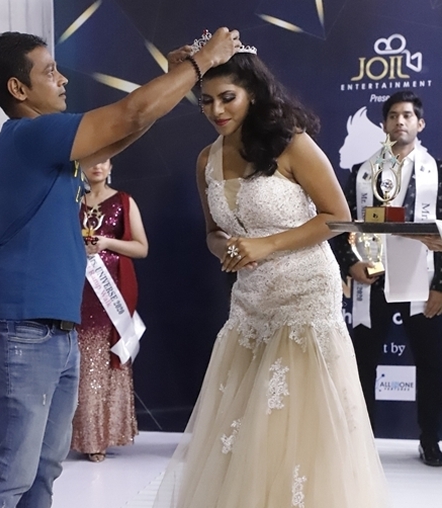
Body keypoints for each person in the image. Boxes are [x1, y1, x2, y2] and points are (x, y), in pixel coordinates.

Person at [0, 29, 241, 508]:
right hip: (22, 331)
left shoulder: (47, 145)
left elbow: (123, 132)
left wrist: (178, 77)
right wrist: (200, 64)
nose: (62, 80)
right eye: (50, 72)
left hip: (53, 330)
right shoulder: (31, 134)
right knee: (14, 474)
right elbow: (129, 114)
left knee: (43, 471)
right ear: (18, 89)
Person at [152, 38, 389, 508]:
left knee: (295, 422)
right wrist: (228, 248)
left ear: (253, 93)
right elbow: (212, 233)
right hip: (250, 300)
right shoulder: (205, 160)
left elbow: (337, 217)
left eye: (227, 98)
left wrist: (266, 244)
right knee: (243, 424)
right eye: (206, 101)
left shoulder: (292, 144)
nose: (216, 110)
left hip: (305, 293)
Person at [334, 90, 442, 466]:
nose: (400, 121)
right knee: (362, 363)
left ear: (420, 123)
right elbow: (343, 223)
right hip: (373, 279)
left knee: (431, 363)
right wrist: (350, 263)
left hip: (422, 280)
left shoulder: (437, 172)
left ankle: (430, 439)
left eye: (407, 115)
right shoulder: (362, 173)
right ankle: (360, 442)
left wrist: (441, 285)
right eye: (393, 115)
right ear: (384, 125)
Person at [70, 159, 148, 462]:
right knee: (82, 365)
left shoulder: (124, 201)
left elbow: (141, 248)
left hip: (111, 294)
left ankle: (101, 436)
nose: (97, 166)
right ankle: (80, 436)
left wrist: (106, 243)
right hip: (77, 292)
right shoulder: (71, 201)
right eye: (91, 161)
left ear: (111, 165)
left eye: (103, 160)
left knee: (105, 362)